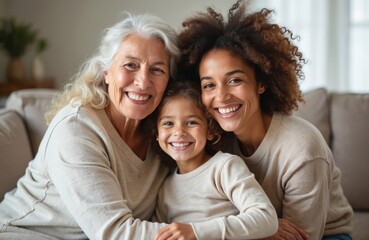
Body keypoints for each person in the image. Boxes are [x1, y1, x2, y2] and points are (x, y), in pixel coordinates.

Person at [176, 0, 354, 239]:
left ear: (260, 83)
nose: (221, 96)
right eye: (209, 85)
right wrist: (263, 229)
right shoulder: (215, 140)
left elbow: (300, 235)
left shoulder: (301, 147)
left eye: (235, 80)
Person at [0, 12, 180, 240]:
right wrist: (203, 233)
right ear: (106, 72)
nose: (143, 81)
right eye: (130, 65)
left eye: (157, 69)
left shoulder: (166, 135)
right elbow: (115, 233)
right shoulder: (76, 128)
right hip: (25, 232)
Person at [152, 80, 278, 240]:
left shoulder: (225, 167)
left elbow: (266, 217)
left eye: (191, 122)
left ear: (210, 130)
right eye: (168, 123)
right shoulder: (166, 188)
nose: (179, 132)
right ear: (157, 134)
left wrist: (196, 232)